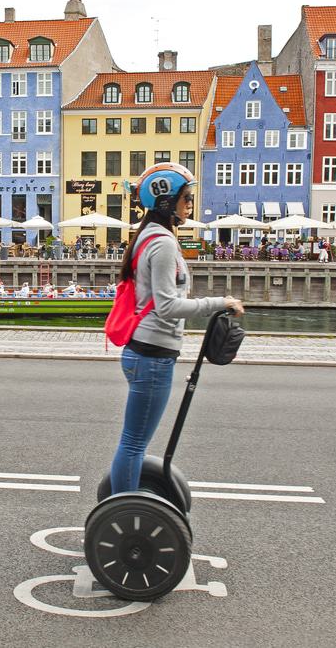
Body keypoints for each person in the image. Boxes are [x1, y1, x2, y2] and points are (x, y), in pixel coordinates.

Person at [110, 163, 244, 496]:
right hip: (152, 357)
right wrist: (219, 303)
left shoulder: (152, 237)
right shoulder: (163, 244)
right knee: (133, 443)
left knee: (134, 441)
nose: (190, 203)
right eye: (186, 197)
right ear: (165, 202)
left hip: (147, 352)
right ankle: (123, 511)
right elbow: (168, 306)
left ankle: (123, 503)